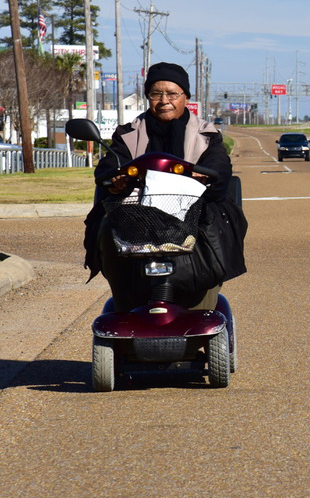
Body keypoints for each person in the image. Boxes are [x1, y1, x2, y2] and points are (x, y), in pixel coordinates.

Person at [82, 62, 247, 311]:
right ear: (148, 97)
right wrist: (117, 180)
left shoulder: (207, 134)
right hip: (137, 211)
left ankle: (202, 301)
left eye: (172, 93)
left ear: (186, 98)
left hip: (193, 207)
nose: (164, 100)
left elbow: (220, 169)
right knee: (105, 225)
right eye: (156, 94)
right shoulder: (128, 133)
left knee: (217, 224)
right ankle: (126, 302)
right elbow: (108, 167)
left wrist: (203, 178)